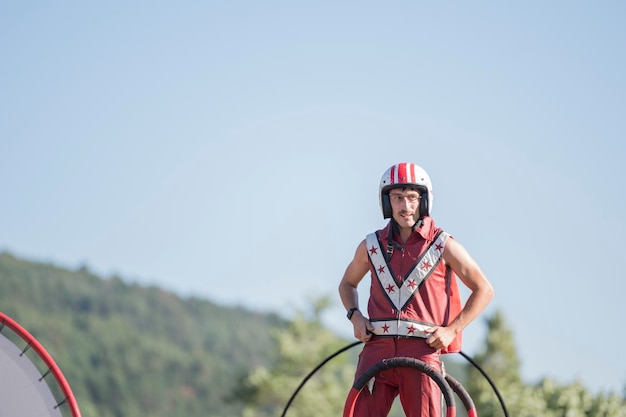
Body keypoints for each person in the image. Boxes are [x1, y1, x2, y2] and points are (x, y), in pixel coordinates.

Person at [338, 162, 494, 417]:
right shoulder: (370, 245)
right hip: (376, 349)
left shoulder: (444, 245)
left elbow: (484, 289)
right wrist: (355, 315)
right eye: (398, 198)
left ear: (423, 200)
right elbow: (346, 284)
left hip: (423, 351)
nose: (405, 206)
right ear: (387, 202)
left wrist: (452, 330)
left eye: (412, 197)